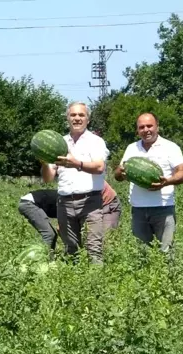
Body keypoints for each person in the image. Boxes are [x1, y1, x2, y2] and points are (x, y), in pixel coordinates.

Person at [40, 102, 109, 264]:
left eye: (81, 115)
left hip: (90, 201)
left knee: (94, 249)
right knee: (71, 249)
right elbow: (48, 178)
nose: (77, 118)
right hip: (64, 203)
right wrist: (44, 163)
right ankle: (74, 284)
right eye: (73, 115)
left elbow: (99, 167)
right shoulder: (59, 142)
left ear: (88, 119)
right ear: (67, 118)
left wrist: (77, 164)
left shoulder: (96, 141)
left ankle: (97, 285)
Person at [114, 112, 183, 253]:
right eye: (141, 127)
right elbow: (118, 175)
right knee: (142, 253)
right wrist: (120, 172)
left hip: (163, 208)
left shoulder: (170, 147)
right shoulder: (131, 148)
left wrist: (167, 182)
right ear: (137, 130)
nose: (146, 130)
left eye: (150, 126)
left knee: (167, 252)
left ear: (157, 127)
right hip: (138, 209)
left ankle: (168, 275)